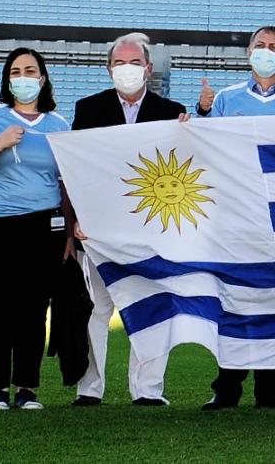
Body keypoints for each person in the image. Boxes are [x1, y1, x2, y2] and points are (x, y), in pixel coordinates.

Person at [194, 25, 275, 410]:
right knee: (234, 303)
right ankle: (226, 388)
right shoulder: (224, 99)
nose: (266, 51)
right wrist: (202, 113)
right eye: (259, 45)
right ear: (248, 52)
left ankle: (271, 388)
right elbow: (203, 151)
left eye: (273, 47)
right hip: (235, 218)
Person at [69, 32, 187, 407]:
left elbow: (186, 170)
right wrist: (74, 220)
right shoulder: (87, 109)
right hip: (99, 229)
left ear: (148, 68)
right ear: (108, 69)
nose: (127, 69)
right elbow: (74, 169)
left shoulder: (172, 113)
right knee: (97, 309)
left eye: (134, 63)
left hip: (152, 231)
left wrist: (193, 129)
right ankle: (89, 387)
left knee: (153, 307)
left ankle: (148, 389)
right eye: (119, 63)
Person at [0, 47, 72, 410]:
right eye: (16, 71)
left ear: (43, 77)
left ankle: (26, 388)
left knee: (34, 308)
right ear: (8, 79)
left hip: (43, 228)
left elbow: (68, 183)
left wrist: (69, 233)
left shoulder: (59, 125)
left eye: (31, 70)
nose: (24, 77)